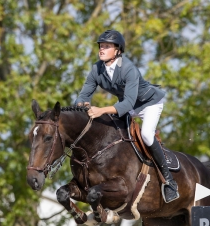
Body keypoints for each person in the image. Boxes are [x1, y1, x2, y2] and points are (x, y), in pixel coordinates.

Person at [75, 29, 179, 203]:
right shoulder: (97, 69)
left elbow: (128, 104)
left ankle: (169, 181)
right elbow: (84, 94)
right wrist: (81, 105)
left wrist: (101, 110)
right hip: (128, 105)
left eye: (107, 46)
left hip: (149, 104)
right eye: (101, 46)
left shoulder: (128, 68)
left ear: (118, 51)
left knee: (146, 134)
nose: (101, 49)